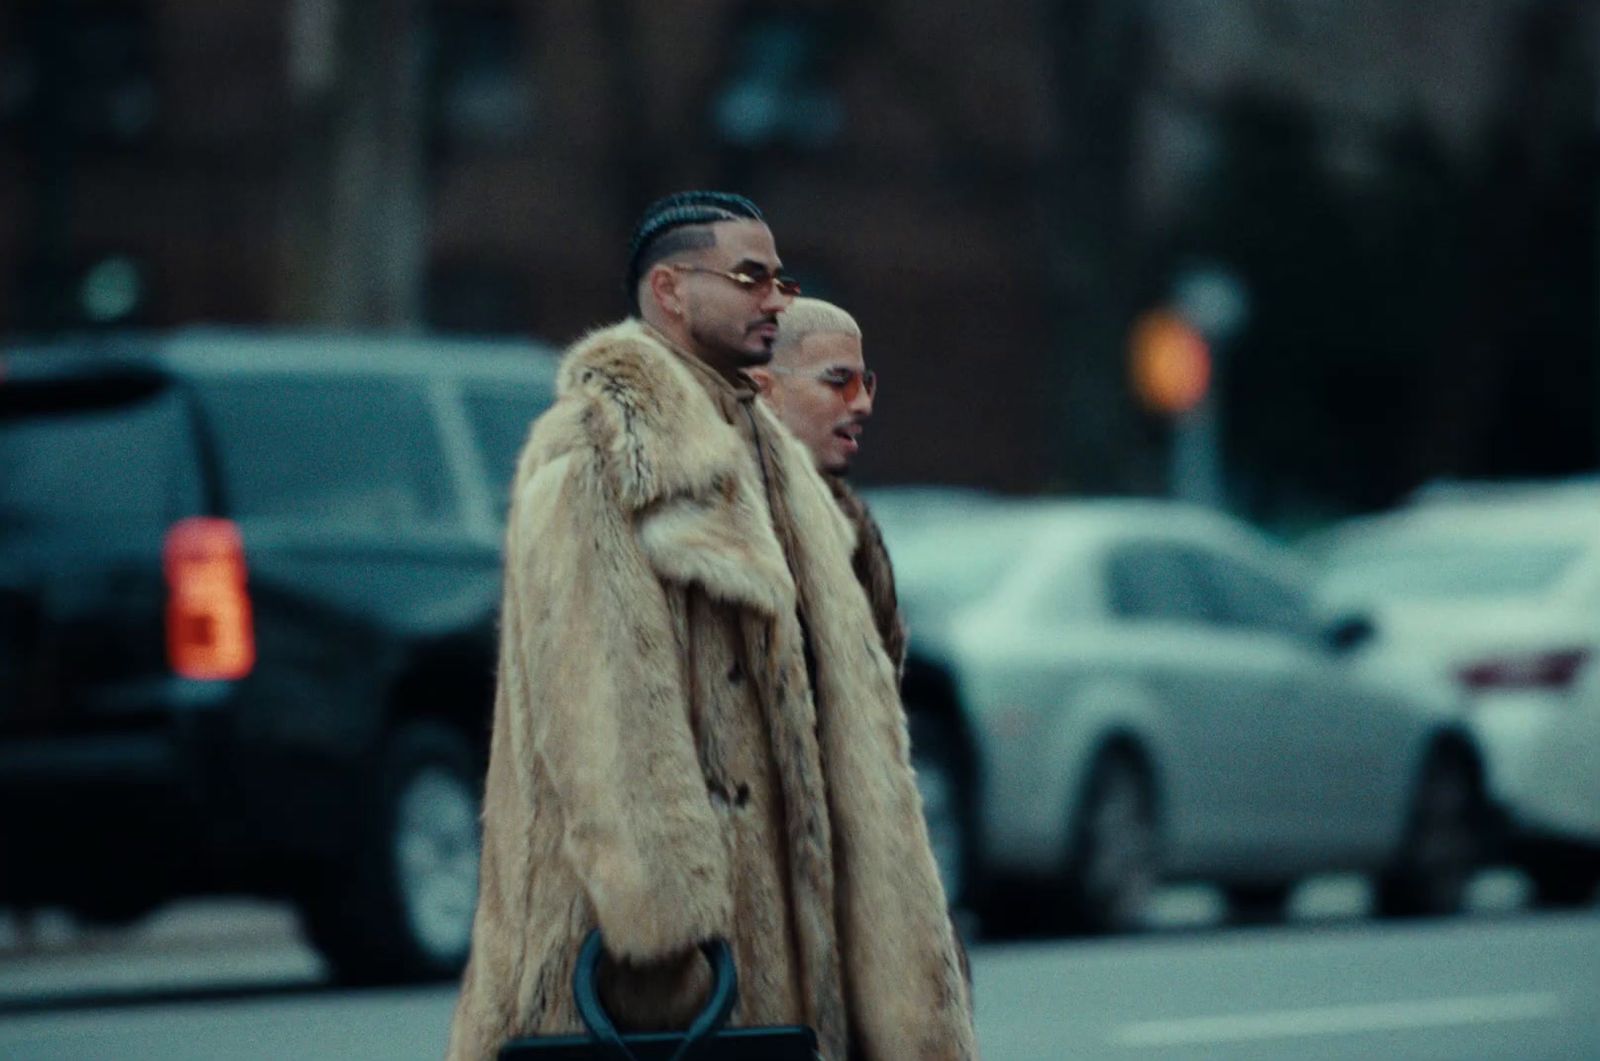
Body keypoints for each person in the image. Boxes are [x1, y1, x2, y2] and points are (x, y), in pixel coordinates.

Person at [446, 192, 977, 1061]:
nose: (776, 298)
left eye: (781, 278)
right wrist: (665, 939)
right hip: (649, 979)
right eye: (750, 276)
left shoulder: (771, 460)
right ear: (670, 291)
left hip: (787, 970)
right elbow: (603, 712)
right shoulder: (599, 454)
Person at [745, 298, 905, 675]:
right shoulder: (703, 522)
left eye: (866, 384)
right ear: (765, 391)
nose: (863, 404)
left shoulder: (854, 533)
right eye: (839, 381)